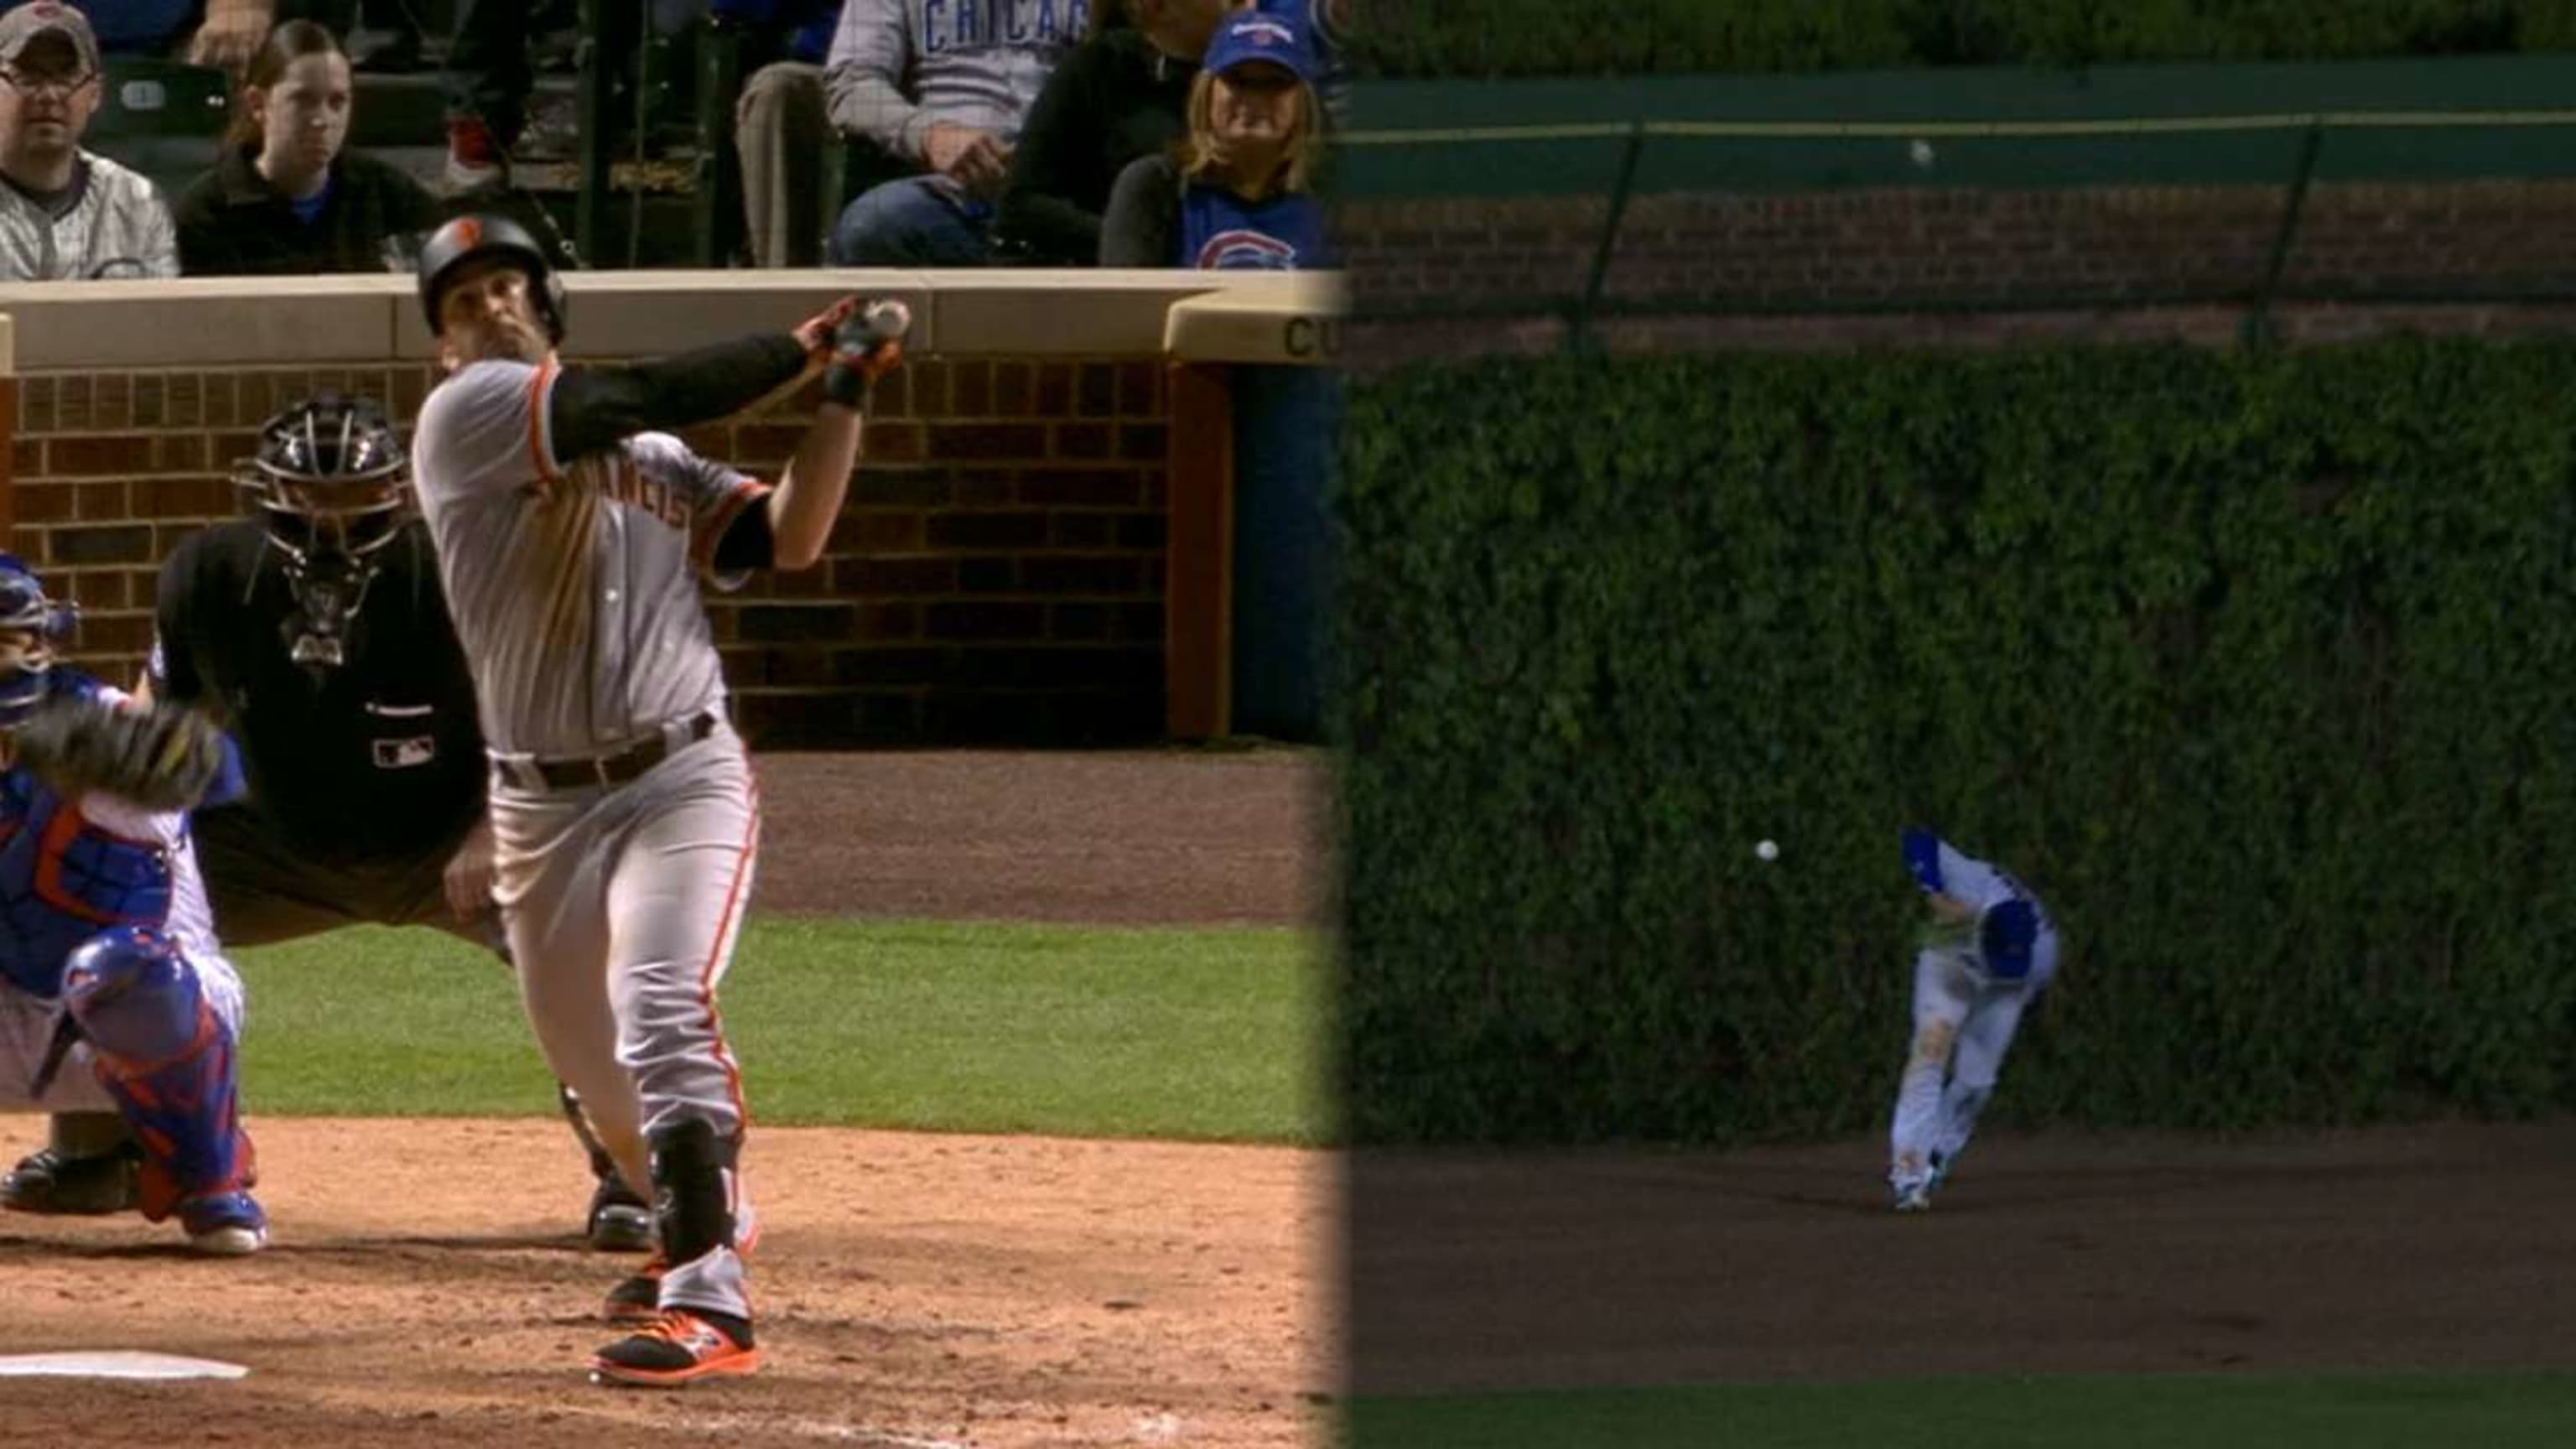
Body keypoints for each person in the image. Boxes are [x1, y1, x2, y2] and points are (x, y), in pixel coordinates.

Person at [408, 211, 904, 1385]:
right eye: (463, 299)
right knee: (595, 1070)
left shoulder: (653, 458)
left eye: (508, 288)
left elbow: (787, 537)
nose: (489, 307)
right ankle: (704, 1211)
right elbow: (639, 392)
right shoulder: (464, 420)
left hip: (682, 777)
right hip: (541, 812)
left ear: (549, 309)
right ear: (440, 346)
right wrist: (806, 341)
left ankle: (709, 1296)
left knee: (658, 999)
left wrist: (843, 392)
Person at [0, 391, 657, 1254]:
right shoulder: (209, 574)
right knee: (116, 907)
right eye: (307, 502)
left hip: (447, 840)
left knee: (579, 930)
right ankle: (101, 1151)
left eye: (354, 502)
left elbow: (545, 719)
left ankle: (638, 1172)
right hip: (269, 847)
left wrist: (499, 829)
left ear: (398, 494)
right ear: (264, 497)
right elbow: (169, 713)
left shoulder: (457, 577)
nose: (331, 526)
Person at [0, 554, 266, 1255]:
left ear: (41, 644)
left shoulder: (102, 729)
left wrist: (111, 755)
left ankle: (207, 1176)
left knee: (120, 968)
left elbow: (217, 774)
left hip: (136, 1024)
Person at [171, 20, 444, 275]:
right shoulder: (207, 213)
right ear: (257, 104)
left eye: (337, 102)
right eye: (302, 100)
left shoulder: (387, 194)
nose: (322, 120)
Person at [822, 0, 1079, 264]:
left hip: (1072, 193)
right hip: (950, 198)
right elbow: (852, 86)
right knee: (874, 225)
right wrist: (928, 134)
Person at [1886, 827, 2059, 1213]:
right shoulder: (1970, 887)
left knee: (1976, 1082)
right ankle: (1907, 1175)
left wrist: (2010, 977)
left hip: (2004, 990)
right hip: (1951, 960)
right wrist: (1933, 892)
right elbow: (1917, 839)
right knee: (1927, 1059)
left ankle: (1938, 1155)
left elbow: (2023, 981)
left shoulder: (2042, 952)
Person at [995, 0, 1223, 267]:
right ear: (1156, 6)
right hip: (1109, 277)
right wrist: (1131, 238)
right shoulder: (1098, 67)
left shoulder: (1257, 73)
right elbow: (1021, 204)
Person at [1098, 6, 1327, 269]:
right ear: (1206, 93)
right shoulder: (1155, 186)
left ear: (1304, 102)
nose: (1254, 99)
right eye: (1237, 80)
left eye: (1275, 82)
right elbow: (1124, 304)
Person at [0, 3, 178, 279]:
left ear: (95, 94)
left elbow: (163, 318)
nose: (48, 94)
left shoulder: (136, 201)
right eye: (27, 75)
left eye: (66, 76)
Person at [728, 0, 841, 267]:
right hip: (836, 75)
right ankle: (782, 279)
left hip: (935, 80)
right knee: (775, 92)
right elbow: (734, 9)